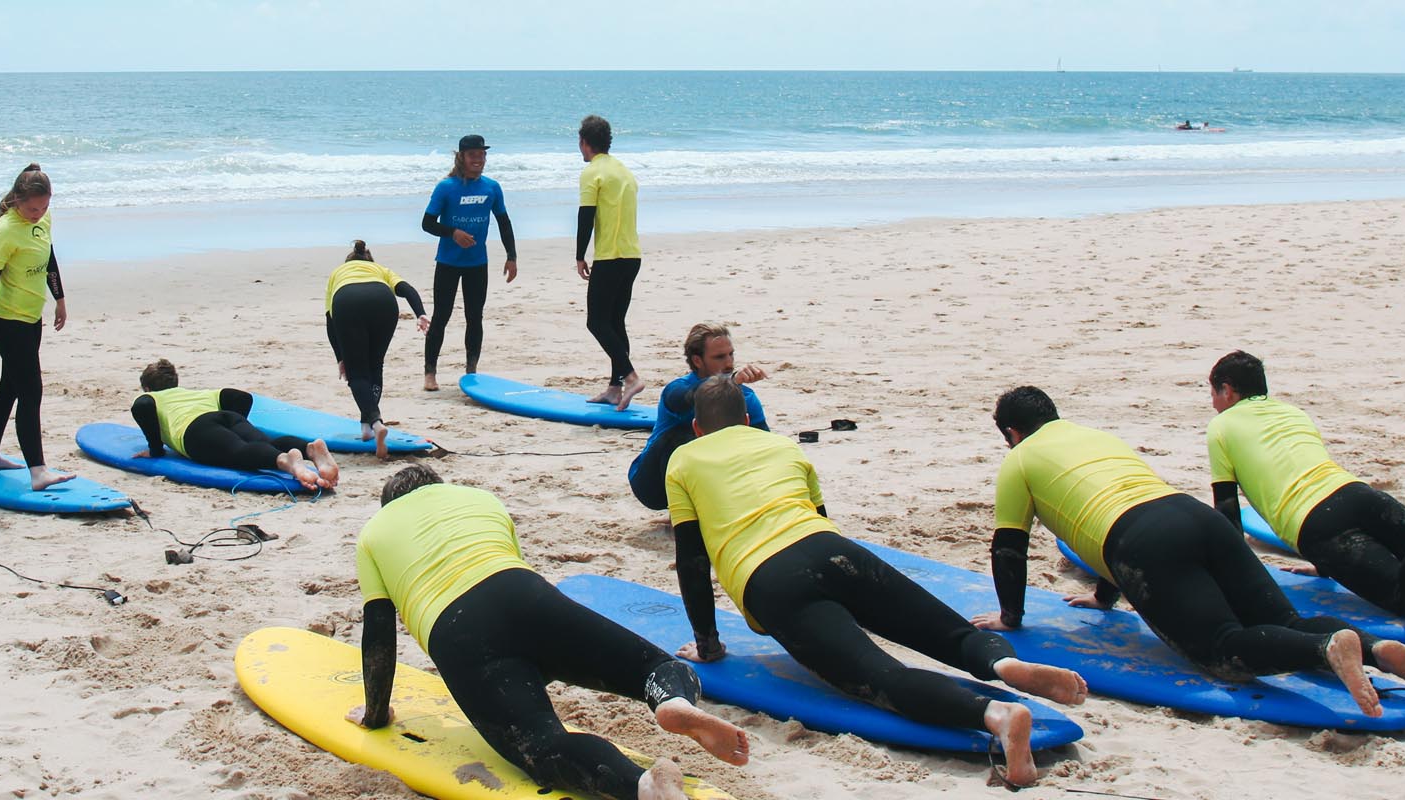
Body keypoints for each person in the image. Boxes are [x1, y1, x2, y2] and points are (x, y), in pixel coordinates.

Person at [668, 377, 1084, 787]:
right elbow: (821, 517)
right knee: (951, 632)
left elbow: (691, 559)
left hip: (771, 579)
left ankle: (995, 715)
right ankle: (1004, 664)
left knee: (884, 677)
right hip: (832, 549)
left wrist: (709, 644)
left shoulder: (684, 460)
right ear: (746, 419)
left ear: (697, 429)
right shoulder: (782, 445)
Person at [971, 386, 1405, 719]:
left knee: (1223, 649)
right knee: (1285, 621)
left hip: (1143, 542)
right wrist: (1104, 597)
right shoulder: (1094, 437)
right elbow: (1118, 502)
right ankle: (1378, 649)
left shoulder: (1019, 460)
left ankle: (1327, 649)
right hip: (1194, 515)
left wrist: (1011, 617)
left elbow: (1010, 548)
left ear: (1011, 432)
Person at [351, 464, 750, 800]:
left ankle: (645, 787)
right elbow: (512, 589)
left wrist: (375, 714)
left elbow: (379, 637)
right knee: (653, 667)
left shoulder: (372, 532)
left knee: (543, 747)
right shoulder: (478, 498)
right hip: (524, 592)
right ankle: (673, 702)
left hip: (457, 629)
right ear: (438, 487)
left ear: (389, 505)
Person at [1205, 351, 1405, 617]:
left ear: (1228, 390)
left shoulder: (1220, 426)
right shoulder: (1294, 413)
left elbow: (1227, 511)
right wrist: (1327, 565)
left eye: (1212, 393)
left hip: (1316, 524)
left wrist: (1234, 585)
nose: (1212, 403)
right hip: (1361, 495)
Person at [0, 164, 74, 492]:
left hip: (30, 316)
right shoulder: (3, 233)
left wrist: (60, 298)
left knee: (10, 386)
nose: (38, 214)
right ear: (15, 200)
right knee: (31, 390)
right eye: (31, 208)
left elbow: (48, 258)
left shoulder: (43, 221)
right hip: (6, 319)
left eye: (43, 207)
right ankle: (38, 471)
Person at [129, 359, 337, 490]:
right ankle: (308, 449)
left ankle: (286, 461)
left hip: (194, 430)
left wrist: (155, 449)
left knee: (240, 451)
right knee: (268, 441)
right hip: (226, 417)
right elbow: (241, 397)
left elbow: (142, 405)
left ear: (147, 387)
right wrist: (234, 427)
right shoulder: (198, 393)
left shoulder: (154, 398)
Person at [628, 323, 769, 510]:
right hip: (653, 483)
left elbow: (765, 444)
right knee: (683, 437)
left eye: (731, 354)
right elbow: (684, 399)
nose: (728, 363)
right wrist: (731, 382)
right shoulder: (678, 389)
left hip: (714, 478)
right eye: (719, 357)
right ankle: (682, 512)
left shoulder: (747, 397)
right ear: (697, 361)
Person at [421, 134, 516, 391]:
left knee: (475, 317)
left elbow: (504, 222)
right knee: (441, 316)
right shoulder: (446, 187)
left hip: (477, 263)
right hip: (449, 262)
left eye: (482, 154)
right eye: (473, 155)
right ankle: (430, 373)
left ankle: (471, 370)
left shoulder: (491, 187)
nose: (479, 159)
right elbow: (427, 223)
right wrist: (453, 233)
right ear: (462, 157)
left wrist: (511, 256)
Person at [325, 241, 428, 458]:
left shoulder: (337, 273)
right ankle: (366, 427)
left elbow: (330, 319)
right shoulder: (380, 270)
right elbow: (407, 289)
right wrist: (420, 313)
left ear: (348, 262)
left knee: (357, 372)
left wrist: (340, 357)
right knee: (375, 365)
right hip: (383, 301)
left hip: (347, 300)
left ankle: (375, 422)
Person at [574, 115, 645, 411]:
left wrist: (579, 255)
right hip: (632, 257)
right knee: (615, 323)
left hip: (611, 257)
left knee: (596, 321)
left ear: (584, 142)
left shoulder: (593, 173)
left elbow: (586, 216)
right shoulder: (625, 172)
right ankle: (615, 388)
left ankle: (630, 377)